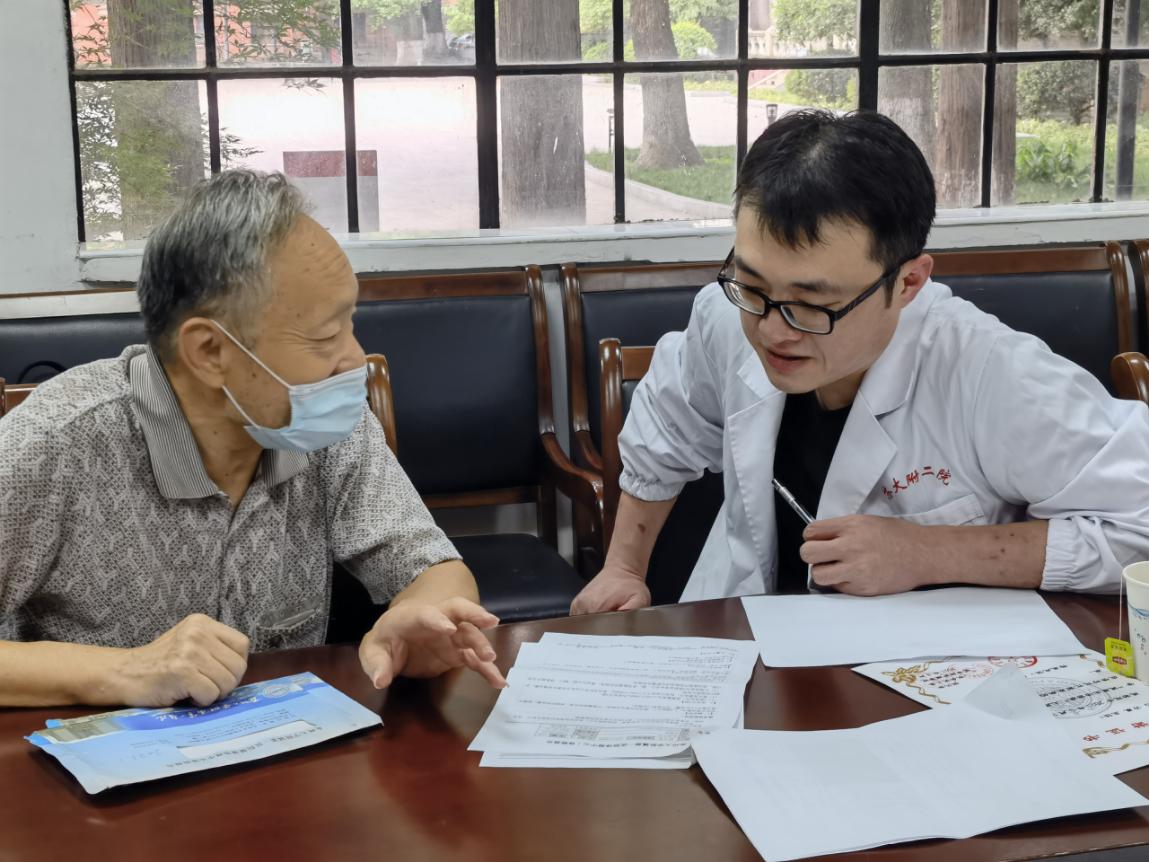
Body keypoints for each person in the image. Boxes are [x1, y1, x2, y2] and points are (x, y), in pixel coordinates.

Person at [571, 109, 1149, 614]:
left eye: (813, 304)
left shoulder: (991, 371)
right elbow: (665, 431)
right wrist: (623, 568)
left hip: (928, 663)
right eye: (753, 285)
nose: (772, 330)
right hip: (752, 629)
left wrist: (930, 552)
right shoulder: (726, 316)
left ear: (909, 282)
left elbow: (1138, 525)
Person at [0, 170, 505, 708]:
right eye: (325, 336)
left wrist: (428, 618)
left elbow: (431, 566)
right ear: (209, 351)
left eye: (351, 324)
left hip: (284, 743)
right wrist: (121, 671)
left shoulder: (323, 423)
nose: (355, 360)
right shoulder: (52, 444)